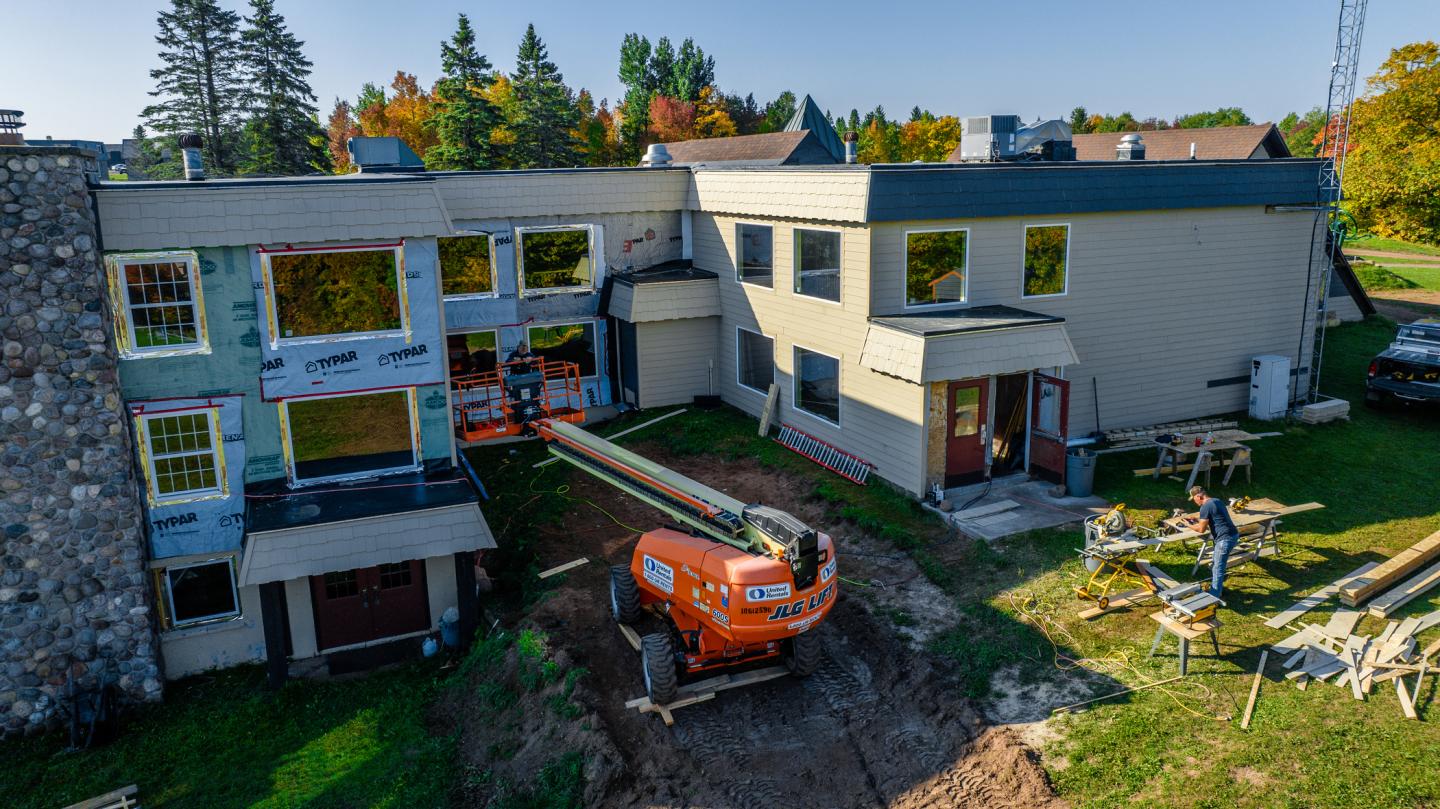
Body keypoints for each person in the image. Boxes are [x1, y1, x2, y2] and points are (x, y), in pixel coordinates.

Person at [1186, 485, 1240, 598]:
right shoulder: (1216, 501)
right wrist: (1197, 519)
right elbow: (1215, 519)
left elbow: (1201, 529)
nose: (1194, 502)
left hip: (1224, 539)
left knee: (1217, 567)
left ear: (1198, 496)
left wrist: (1187, 525)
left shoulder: (1205, 507)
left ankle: (1215, 595)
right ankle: (1217, 588)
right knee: (1217, 565)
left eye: (1194, 499)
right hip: (1233, 534)